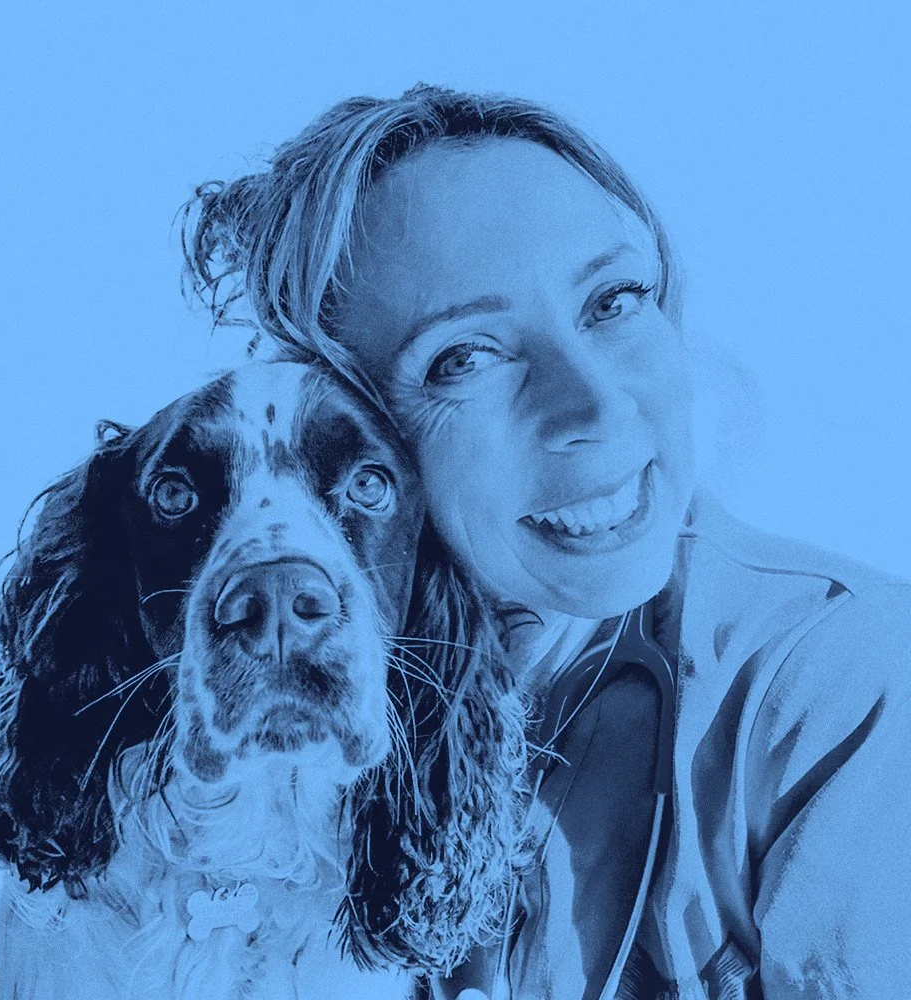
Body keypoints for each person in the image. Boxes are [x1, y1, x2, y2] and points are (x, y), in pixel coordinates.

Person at [181, 85, 911, 998]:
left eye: (614, 301)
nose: (595, 404)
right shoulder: (293, 745)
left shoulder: (846, 685)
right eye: (465, 357)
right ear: (358, 433)